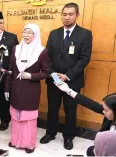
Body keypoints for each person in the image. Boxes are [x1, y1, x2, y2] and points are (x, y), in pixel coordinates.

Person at [41, 2, 93, 150]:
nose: (67, 17)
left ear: (77, 15)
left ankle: (68, 137)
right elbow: (47, 56)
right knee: (52, 108)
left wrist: (67, 76)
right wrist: (52, 74)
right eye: (64, 14)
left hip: (72, 80)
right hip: (54, 80)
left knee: (70, 110)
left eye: (70, 14)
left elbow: (85, 58)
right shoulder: (54, 33)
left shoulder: (85, 34)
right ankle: (50, 133)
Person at [5, 24, 49, 153]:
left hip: (31, 90)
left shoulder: (42, 51)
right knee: (15, 117)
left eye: (30, 32)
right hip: (16, 88)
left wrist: (31, 75)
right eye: (24, 32)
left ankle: (29, 144)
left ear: (35, 35)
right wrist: (7, 88)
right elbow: (10, 70)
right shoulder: (16, 49)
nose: (26, 35)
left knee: (28, 118)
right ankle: (15, 141)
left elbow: (46, 72)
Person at [53, 82, 116, 156]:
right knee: (90, 151)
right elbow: (90, 103)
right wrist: (68, 90)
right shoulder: (110, 115)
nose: (103, 111)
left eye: (106, 110)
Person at [0, 12, 19, 131]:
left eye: (1, 22)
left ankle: (5, 120)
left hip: (5, 73)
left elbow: (16, 56)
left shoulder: (12, 37)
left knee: (4, 98)